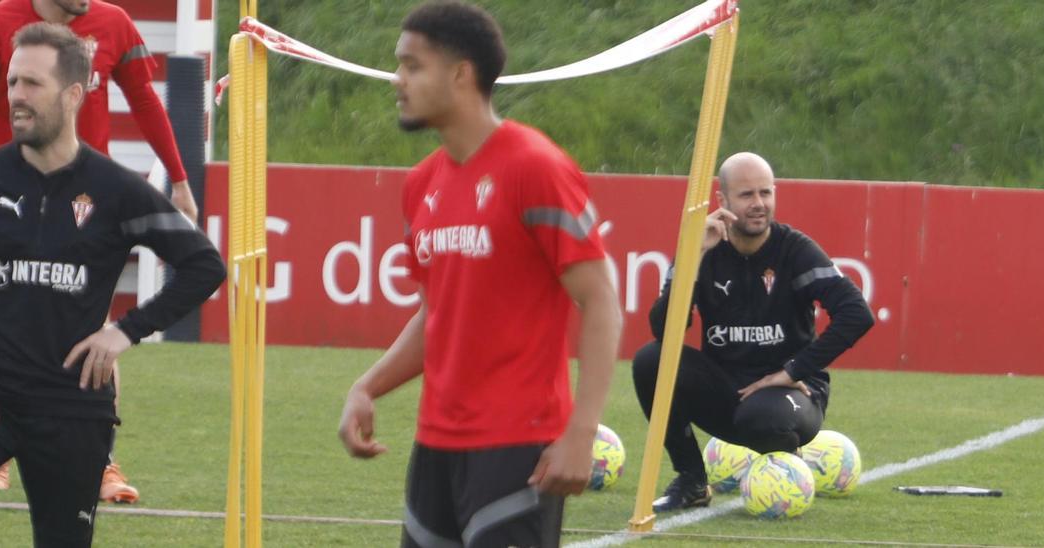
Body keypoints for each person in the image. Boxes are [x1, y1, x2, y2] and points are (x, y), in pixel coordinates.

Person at [0, 23, 226, 547]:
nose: (17, 97)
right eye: (12, 84)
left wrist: (125, 331)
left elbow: (205, 265)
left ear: (74, 95)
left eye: (32, 85)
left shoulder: (116, 190)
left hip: (74, 410)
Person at [336, 2, 623, 546]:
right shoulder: (421, 184)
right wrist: (367, 386)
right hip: (435, 447)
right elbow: (436, 314)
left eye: (412, 66)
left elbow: (601, 301)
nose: (398, 80)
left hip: (520, 448)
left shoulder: (536, 167)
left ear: (461, 74)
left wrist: (582, 432)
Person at [0, 0, 197, 501]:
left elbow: (144, 100)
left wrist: (179, 179)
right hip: (7, 201)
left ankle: (100, 461)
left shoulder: (114, 22)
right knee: (7, 326)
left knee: (91, 328)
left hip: (86, 205)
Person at [632, 152, 874, 512]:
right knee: (650, 360)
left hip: (792, 395)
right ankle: (692, 480)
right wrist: (693, 257)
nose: (759, 204)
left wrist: (794, 369)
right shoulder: (702, 249)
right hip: (728, 390)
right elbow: (664, 329)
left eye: (766, 193)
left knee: (760, 417)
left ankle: (787, 471)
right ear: (722, 200)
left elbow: (857, 313)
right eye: (747, 195)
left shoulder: (795, 250)